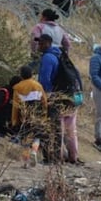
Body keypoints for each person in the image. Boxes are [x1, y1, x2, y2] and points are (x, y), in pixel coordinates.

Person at [36, 34, 81, 164]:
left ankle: (57, 157)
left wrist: (45, 96)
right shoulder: (62, 55)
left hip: (57, 97)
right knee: (71, 128)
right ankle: (73, 156)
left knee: (56, 128)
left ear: (48, 43)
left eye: (41, 43)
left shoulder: (48, 58)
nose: (39, 46)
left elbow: (45, 80)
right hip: (72, 95)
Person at [10, 65, 47, 138]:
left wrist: (14, 122)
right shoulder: (38, 85)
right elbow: (44, 101)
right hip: (37, 113)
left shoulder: (18, 87)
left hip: (24, 114)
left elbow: (15, 106)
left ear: (21, 75)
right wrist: (44, 116)